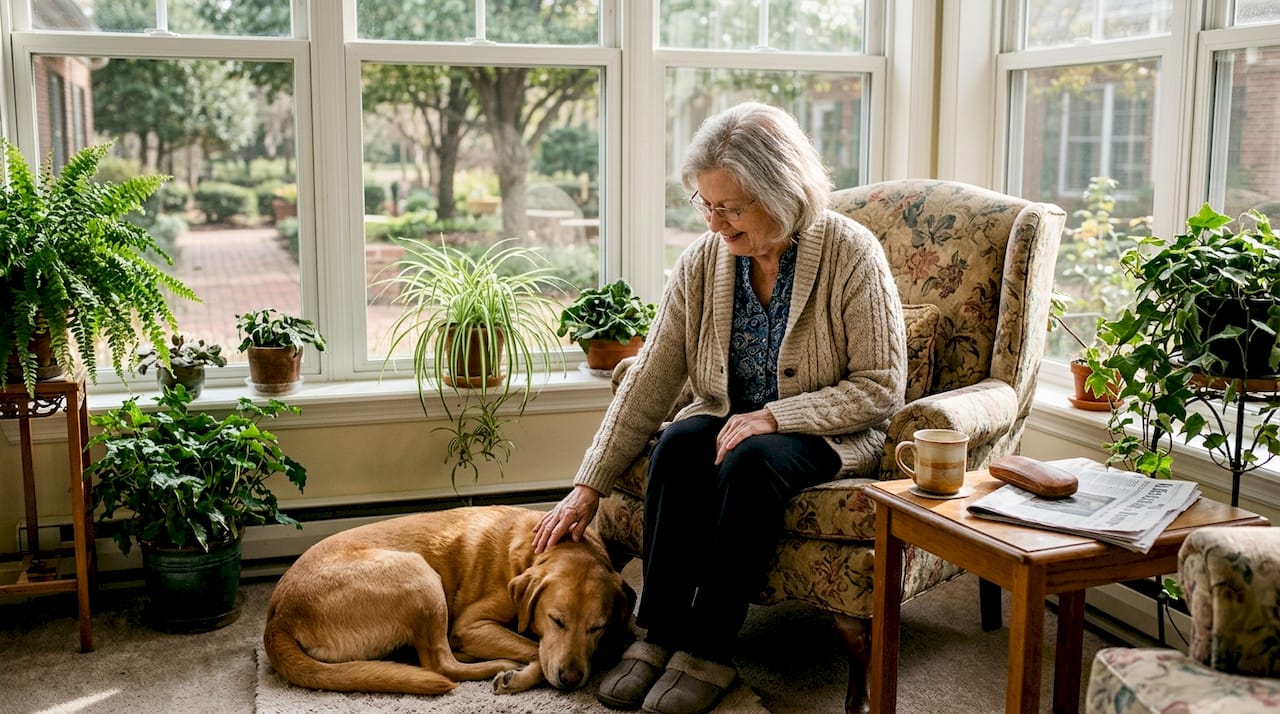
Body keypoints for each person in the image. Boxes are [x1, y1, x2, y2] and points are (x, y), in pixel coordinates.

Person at [532, 101, 906, 714]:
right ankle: (661, 634)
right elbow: (650, 378)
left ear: (782, 192)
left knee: (753, 458)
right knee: (679, 443)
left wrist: (777, 417)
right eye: (705, 204)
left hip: (829, 431)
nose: (715, 223)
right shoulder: (705, 262)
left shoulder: (851, 254)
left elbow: (881, 386)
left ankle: (709, 648)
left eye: (731, 208)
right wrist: (589, 484)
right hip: (730, 417)